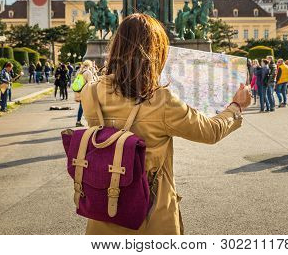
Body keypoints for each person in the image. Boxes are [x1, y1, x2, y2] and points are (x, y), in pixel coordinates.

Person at [80, 13, 250, 235]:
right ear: (156, 53)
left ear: (116, 47)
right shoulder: (162, 101)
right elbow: (210, 131)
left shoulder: (91, 92)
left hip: (103, 210)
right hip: (150, 215)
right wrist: (236, 107)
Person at [75, 60, 96, 127]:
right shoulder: (88, 72)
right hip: (86, 91)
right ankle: (91, 122)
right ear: (89, 65)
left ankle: (78, 121)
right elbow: (91, 83)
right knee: (90, 107)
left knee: (81, 107)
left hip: (80, 91)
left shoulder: (79, 72)